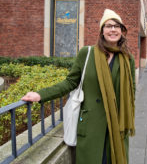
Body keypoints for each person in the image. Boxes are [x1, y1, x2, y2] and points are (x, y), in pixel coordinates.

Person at [21, 9, 136, 164]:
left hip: (116, 127)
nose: (113, 30)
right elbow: (70, 82)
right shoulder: (87, 53)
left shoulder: (127, 59)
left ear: (122, 31)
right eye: (108, 26)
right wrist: (40, 95)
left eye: (117, 26)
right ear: (102, 30)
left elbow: (131, 92)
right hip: (90, 126)